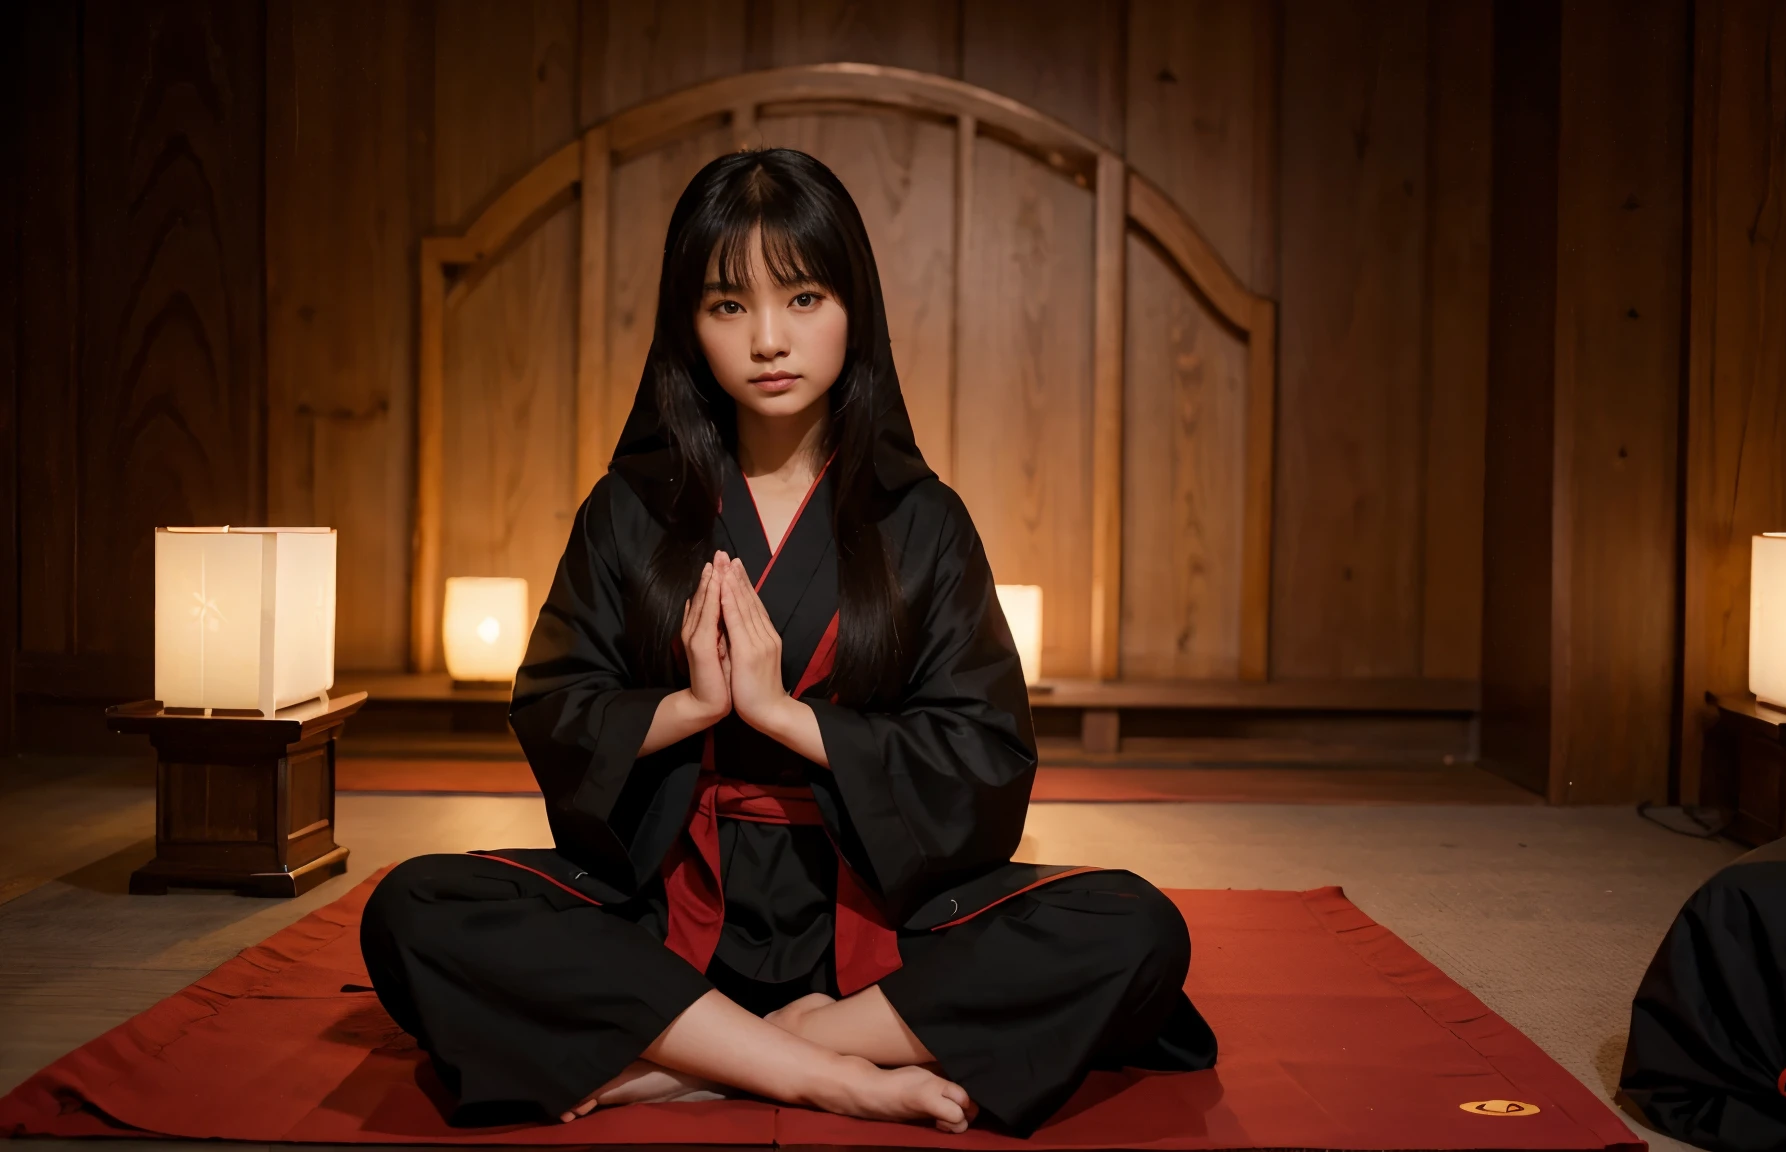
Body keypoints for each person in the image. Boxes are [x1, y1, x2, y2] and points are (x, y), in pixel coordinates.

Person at [359, 148, 1216, 1137]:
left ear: (854, 312)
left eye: (802, 298)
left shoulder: (921, 519)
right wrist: (689, 710)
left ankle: (721, 1055)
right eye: (728, 306)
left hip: (873, 918)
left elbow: (984, 754)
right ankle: (829, 1072)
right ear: (689, 326)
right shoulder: (631, 510)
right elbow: (556, 704)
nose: (768, 339)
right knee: (414, 907)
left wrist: (786, 717)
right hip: (668, 902)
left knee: (1132, 925)